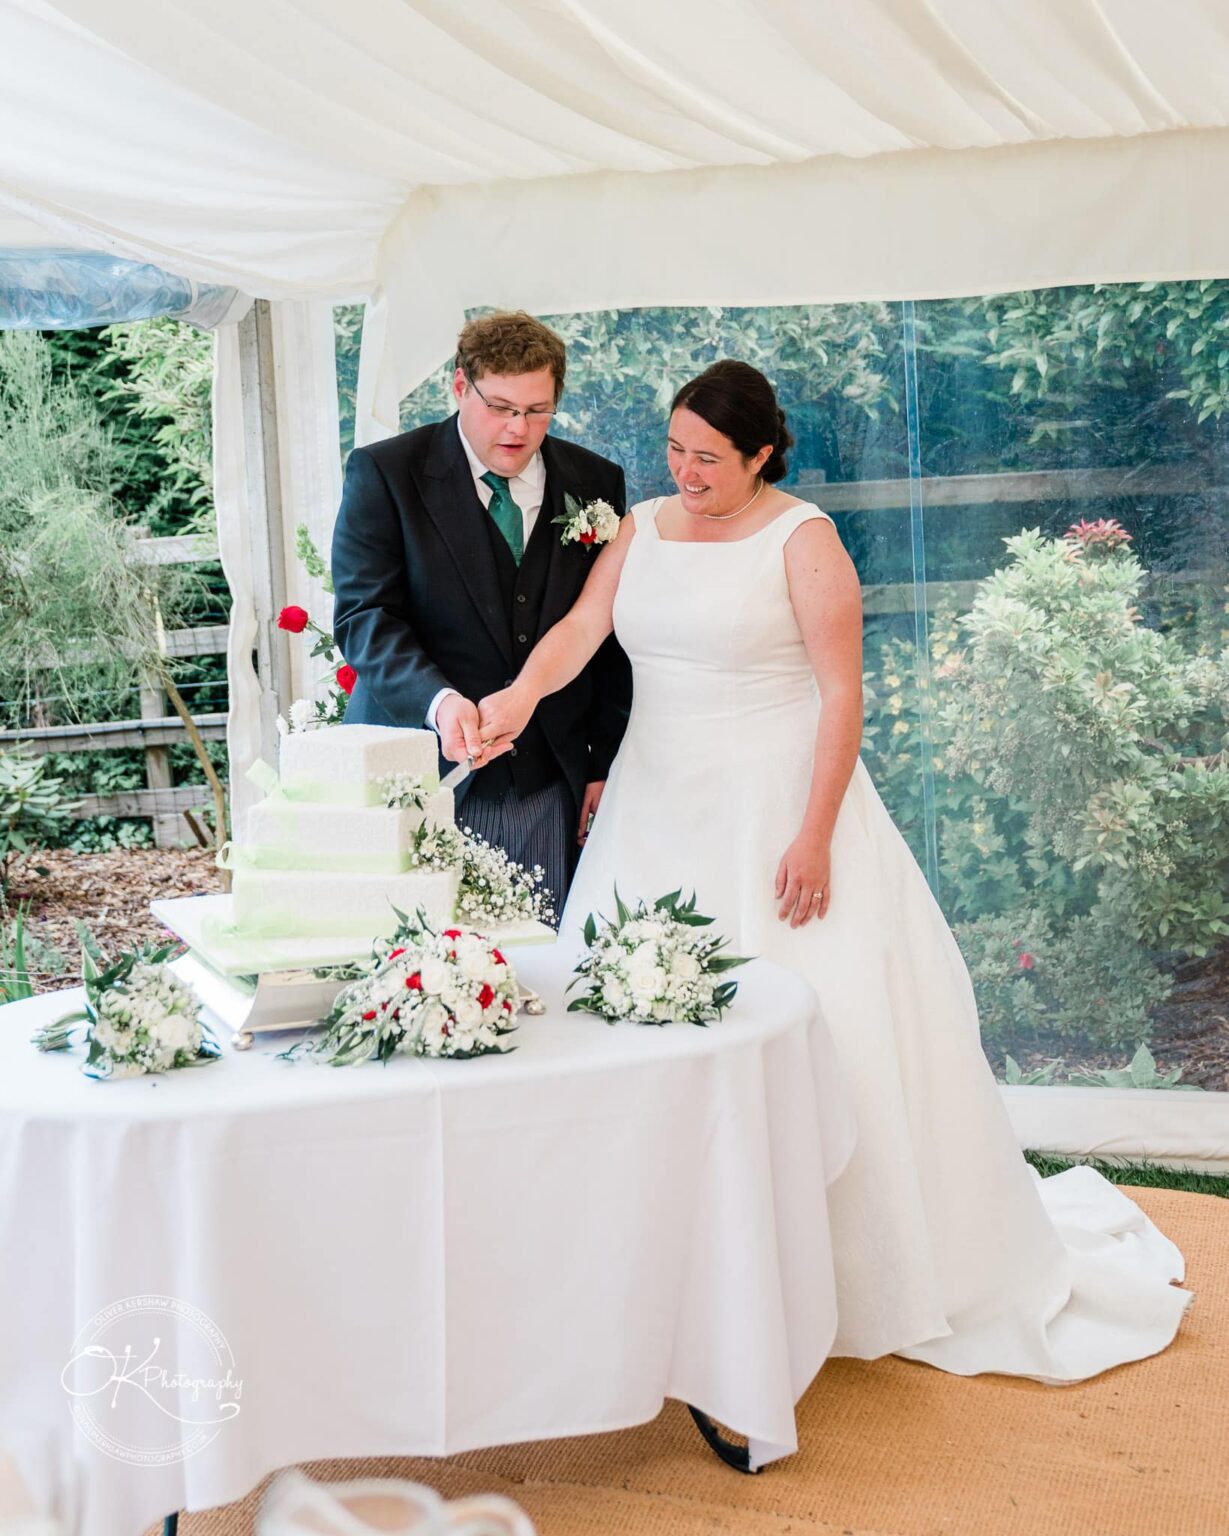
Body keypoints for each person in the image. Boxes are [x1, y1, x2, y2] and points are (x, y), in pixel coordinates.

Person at [475, 359, 1192, 1382]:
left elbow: (840, 697)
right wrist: (512, 699)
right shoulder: (641, 527)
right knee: (633, 1029)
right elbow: (584, 631)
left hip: (774, 806)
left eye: (708, 459)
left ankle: (854, 1273)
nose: (685, 471)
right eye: (674, 450)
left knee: (822, 1025)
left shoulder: (801, 540)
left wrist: (811, 835)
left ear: (762, 453)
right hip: (657, 807)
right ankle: (668, 1266)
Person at [331, 311, 632, 905]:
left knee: (548, 962)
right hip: (420, 774)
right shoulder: (387, 473)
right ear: (460, 386)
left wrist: (604, 761)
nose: (518, 429)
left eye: (537, 410)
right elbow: (364, 617)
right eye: (499, 407)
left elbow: (612, 635)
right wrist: (439, 705)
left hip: (552, 777)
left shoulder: (597, 480)